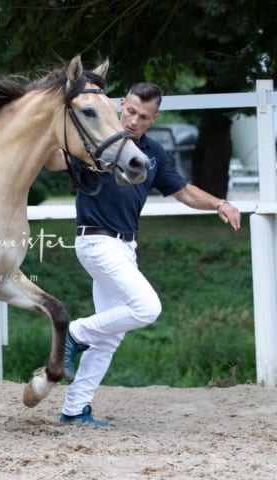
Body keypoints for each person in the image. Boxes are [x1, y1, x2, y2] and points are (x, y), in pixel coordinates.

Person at [45, 82, 242, 426]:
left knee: (110, 337)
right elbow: (52, 161)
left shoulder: (151, 153)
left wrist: (219, 204)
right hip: (95, 241)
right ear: (122, 104)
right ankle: (74, 334)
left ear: (154, 119)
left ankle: (75, 409)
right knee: (147, 308)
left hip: (125, 246)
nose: (134, 120)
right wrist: (53, 125)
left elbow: (183, 192)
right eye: (131, 111)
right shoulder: (93, 142)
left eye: (143, 117)